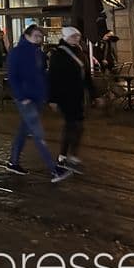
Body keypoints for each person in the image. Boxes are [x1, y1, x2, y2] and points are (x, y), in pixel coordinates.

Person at [5, 24, 71, 183]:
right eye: (36, 36)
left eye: (40, 36)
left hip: (37, 98)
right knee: (38, 133)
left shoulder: (39, 53)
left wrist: (46, 95)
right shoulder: (16, 53)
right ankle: (54, 170)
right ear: (27, 35)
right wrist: (21, 96)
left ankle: (13, 162)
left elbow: (42, 75)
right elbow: (12, 77)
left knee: (23, 131)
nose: (39, 39)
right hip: (26, 100)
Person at [48, 26, 96, 173]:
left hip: (78, 95)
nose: (76, 39)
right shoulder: (58, 53)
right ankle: (63, 157)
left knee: (78, 126)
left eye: (77, 36)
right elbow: (53, 77)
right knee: (71, 125)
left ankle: (72, 156)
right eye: (73, 36)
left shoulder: (80, 52)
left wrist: (94, 94)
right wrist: (53, 99)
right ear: (66, 37)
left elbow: (86, 75)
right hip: (65, 95)